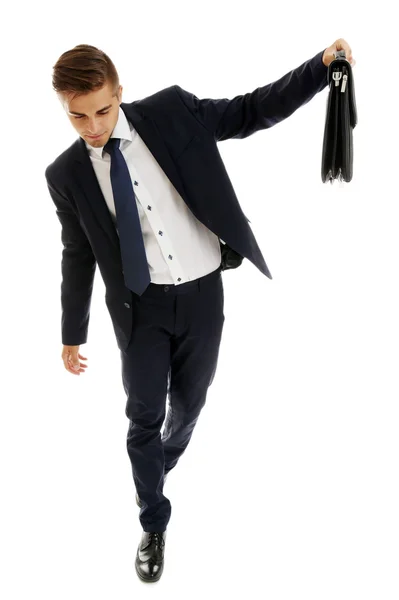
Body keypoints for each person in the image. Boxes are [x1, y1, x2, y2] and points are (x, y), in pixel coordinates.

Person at [45, 38, 355, 583]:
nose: (92, 126)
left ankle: (160, 463)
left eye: (102, 110)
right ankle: (154, 520)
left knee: (188, 404)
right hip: (140, 310)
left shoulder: (170, 111)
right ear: (63, 107)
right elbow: (77, 253)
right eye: (77, 116)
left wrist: (319, 67)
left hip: (203, 295)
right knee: (142, 415)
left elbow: (251, 109)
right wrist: (73, 333)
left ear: (120, 92)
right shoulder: (65, 174)